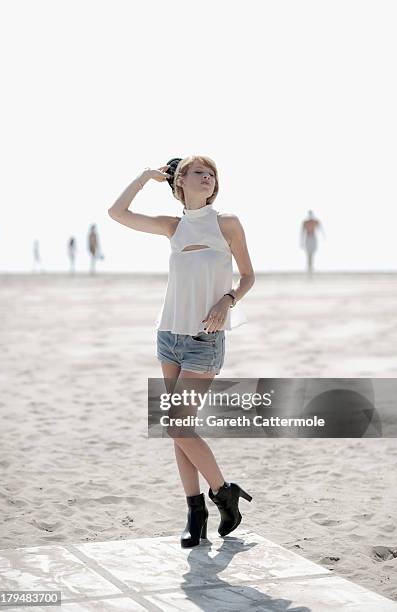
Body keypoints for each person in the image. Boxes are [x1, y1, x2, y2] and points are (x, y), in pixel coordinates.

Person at [108, 155, 255, 548]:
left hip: (205, 341)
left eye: (212, 174)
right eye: (199, 173)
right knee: (178, 431)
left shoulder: (228, 224)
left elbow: (249, 276)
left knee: (176, 424)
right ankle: (196, 511)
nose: (208, 178)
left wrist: (227, 301)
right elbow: (116, 212)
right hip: (169, 335)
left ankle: (223, 491)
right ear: (181, 183)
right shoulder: (172, 227)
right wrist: (144, 176)